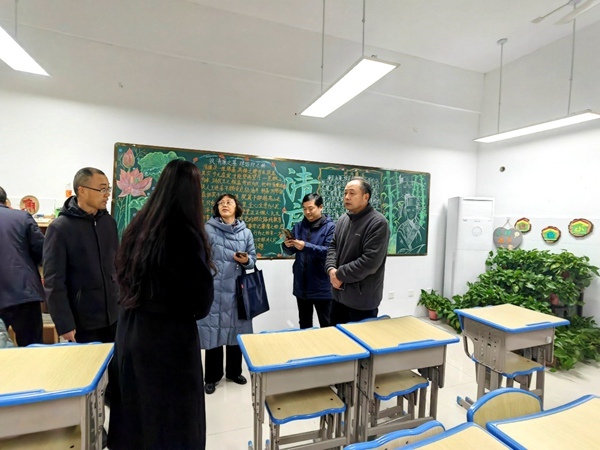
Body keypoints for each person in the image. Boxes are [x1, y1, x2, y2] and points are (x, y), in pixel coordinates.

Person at [108, 160, 214, 449]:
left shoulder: (139, 225)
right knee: (172, 421)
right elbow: (201, 299)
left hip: (131, 329)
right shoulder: (184, 233)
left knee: (138, 413)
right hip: (167, 338)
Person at [43, 167, 119, 344]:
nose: (107, 194)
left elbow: (117, 265)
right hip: (83, 322)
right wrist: (64, 323)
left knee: (117, 360)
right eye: (102, 189)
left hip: (114, 317)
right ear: (82, 191)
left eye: (108, 188)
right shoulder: (60, 228)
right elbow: (54, 280)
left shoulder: (108, 223)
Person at [197, 193, 256, 395]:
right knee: (213, 331)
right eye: (221, 203)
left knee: (235, 331)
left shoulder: (246, 233)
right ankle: (212, 377)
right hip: (213, 288)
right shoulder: (207, 230)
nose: (224, 205)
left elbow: (252, 259)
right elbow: (200, 256)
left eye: (229, 202)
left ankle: (234, 372)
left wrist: (246, 260)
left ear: (236, 208)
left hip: (237, 290)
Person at [325, 177, 390, 325]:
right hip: (338, 296)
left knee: (359, 339)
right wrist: (331, 269)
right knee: (336, 336)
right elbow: (333, 247)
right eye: (345, 193)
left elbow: (370, 262)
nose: (347, 197)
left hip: (361, 301)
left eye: (352, 193)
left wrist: (339, 274)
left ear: (366, 197)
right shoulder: (343, 220)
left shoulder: (378, 223)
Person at [0, 186, 45, 347]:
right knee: (32, 348)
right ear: (6, 201)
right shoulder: (22, 217)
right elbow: (42, 250)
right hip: (24, 292)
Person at [282, 193, 335, 328]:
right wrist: (287, 245)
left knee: (327, 325)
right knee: (304, 325)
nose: (307, 212)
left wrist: (305, 246)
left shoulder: (331, 227)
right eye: (304, 209)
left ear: (320, 207)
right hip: (302, 285)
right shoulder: (299, 226)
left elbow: (329, 251)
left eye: (311, 208)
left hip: (322, 286)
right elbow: (290, 251)